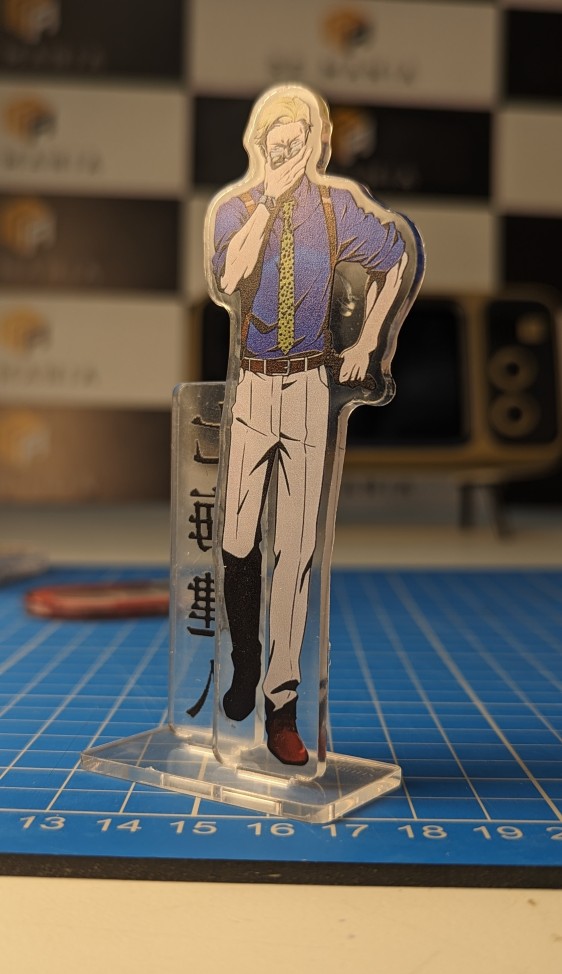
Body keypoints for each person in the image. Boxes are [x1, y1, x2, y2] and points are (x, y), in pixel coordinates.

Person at [206, 85, 423, 767]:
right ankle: (244, 661)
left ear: (314, 145)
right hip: (252, 384)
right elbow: (229, 278)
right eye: (277, 142)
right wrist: (268, 204)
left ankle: (282, 703)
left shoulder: (337, 209)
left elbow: (397, 259)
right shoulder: (235, 209)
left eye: (298, 142)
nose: (287, 152)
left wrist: (370, 339)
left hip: (307, 387)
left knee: (296, 552)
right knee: (237, 536)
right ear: (260, 144)